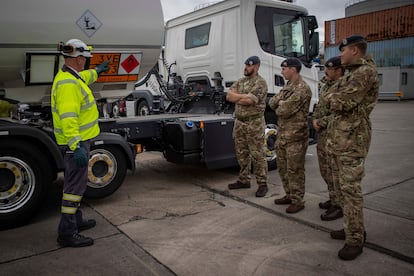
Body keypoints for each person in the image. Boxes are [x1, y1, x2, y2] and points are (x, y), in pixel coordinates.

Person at [51, 38, 110, 247]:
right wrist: (76, 146)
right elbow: (69, 118)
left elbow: (84, 77)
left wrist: (98, 72)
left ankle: (76, 221)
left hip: (76, 142)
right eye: (85, 58)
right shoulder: (68, 84)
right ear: (77, 59)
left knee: (74, 183)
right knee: (73, 188)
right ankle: (67, 233)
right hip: (75, 144)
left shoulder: (70, 76)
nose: (86, 62)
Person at [326, 35, 379, 260]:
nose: (340, 55)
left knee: (350, 191)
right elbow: (332, 95)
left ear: (355, 50)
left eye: (343, 50)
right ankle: (351, 227)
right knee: (341, 188)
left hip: (352, 140)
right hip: (341, 138)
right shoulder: (352, 73)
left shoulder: (364, 73)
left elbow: (342, 101)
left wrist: (330, 97)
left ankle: (356, 238)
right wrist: (331, 96)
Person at [270, 57, 311, 213]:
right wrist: (280, 102)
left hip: (296, 136)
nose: (281, 71)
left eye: (284, 68)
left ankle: (298, 200)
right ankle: (289, 194)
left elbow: (284, 110)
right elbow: (272, 102)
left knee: (295, 169)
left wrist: (280, 103)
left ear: (293, 69)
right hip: (283, 135)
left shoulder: (302, 88)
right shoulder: (287, 87)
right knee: (283, 168)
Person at [226, 55, 269, 198]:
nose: (246, 68)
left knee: (257, 155)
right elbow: (229, 97)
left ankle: (262, 184)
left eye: (249, 65)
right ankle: (244, 180)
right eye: (245, 65)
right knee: (241, 153)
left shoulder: (261, 83)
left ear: (256, 67)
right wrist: (241, 97)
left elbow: (250, 101)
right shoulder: (240, 81)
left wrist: (238, 97)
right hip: (240, 123)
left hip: (254, 124)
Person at [312, 56, 345, 221]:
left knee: (335, 172)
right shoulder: (327, 85)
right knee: (325, 170)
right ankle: (333, 199)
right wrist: (315, 120)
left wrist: (321, 121)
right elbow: (321, 106)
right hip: (323, 134)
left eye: (329, 69)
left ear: (339, 70)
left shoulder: (343, 86)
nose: (325, 71)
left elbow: (339, 113)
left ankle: (339, 205)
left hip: (334, 134)